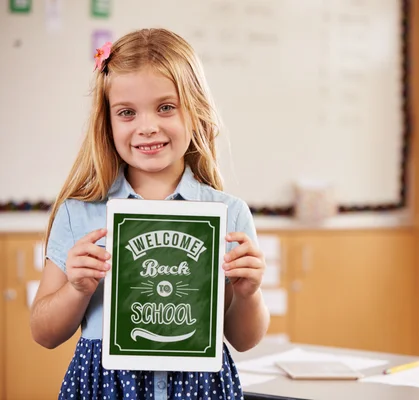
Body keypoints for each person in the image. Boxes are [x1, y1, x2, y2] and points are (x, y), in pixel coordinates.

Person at [29, 28, 270, 400]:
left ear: (196, 110)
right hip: (107, 387)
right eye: (127, 112)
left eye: (166, 107)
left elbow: (244, 339)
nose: (147, 127)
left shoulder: (229, 214)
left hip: (200, 387)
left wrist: (249, 294)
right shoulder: (79, 214)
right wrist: (76, 290)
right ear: (107, 123)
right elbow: (43, 333)